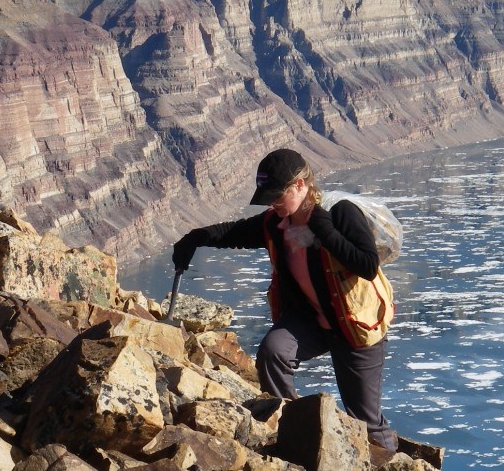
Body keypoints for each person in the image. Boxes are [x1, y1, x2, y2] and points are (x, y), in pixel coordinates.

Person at [171, 148, 399, 452]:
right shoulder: (277, 223)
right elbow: (236, 232)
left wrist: (325, 231)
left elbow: (367, 265)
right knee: (273, 352)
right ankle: (296, 429)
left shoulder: (339, 212)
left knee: (366, 419)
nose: (273, 204)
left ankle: (392, 458)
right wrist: (195, 238)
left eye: (278, 196)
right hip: (311, 321)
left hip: (354, 325)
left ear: (301, 186)